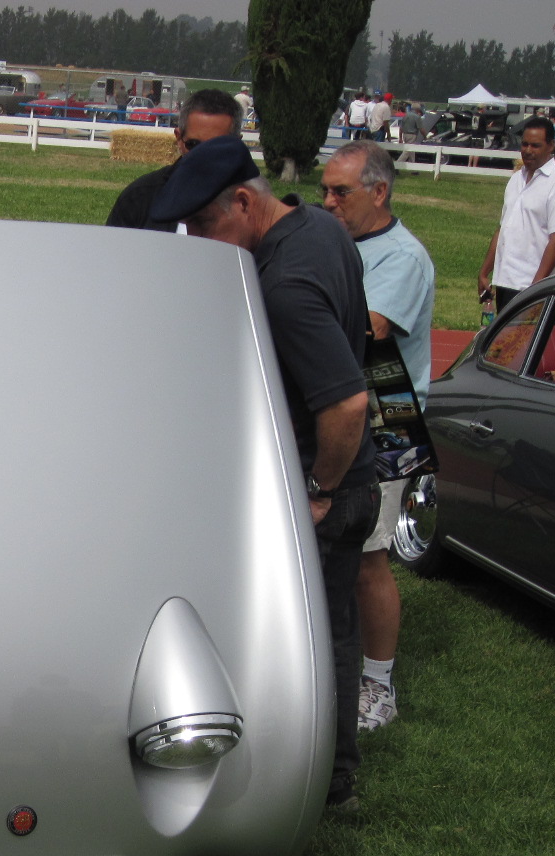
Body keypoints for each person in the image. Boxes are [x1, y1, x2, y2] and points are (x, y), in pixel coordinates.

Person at [149, 137, 379, 813]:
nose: (198, 242)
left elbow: (346, 401)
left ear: (244, 202)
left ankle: (322, 784)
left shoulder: (283, 285)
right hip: (346, 479)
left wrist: (319, 491)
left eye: (204, 227)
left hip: (326, 482)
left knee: (302, 637)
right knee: (332, 627)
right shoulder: (320, 226)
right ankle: (329, 775)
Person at [321, 142, 435, 733]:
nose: (328, 202)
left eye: (341, 192)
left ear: (379, 192)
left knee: (369, 556)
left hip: (388, 415)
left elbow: (371, 327)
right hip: (342, 407)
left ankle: (378, 684)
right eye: (325, 191)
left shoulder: (403, 257)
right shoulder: (342, 241)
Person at [104, 88, 243, 231]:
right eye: (194, 145)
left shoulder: (252, 208)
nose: (204, 157)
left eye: (217, 147)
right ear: (179, 139)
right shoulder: (139, 198)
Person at [478, 116, 555, 312]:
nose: (528, 151)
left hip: (530, 285)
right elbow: (502, 229)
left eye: (536, 146)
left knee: (524, 342)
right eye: (525, 144)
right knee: (502, 342)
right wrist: (485, 272)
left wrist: (536, 288)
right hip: (505, 280)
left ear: (551, 146)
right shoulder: (516, 180)